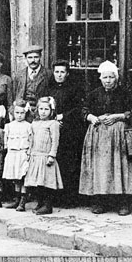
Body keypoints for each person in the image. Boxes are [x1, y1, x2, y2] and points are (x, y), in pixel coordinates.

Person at [80, 60, 132, 216]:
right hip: (99, 135)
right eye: (105, 77)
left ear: (116, 78)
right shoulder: (94, 94)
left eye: (111, 77)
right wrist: (91, 117)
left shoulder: (125, 93)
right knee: (101, 168)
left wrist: (118, 116)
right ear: (100, 78)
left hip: (119, 135)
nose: (108, 80)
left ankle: (123, 203)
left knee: (120, 167)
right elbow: (83, 110)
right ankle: (100, 202)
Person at [48, 60, 86, 206]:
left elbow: (78, 108)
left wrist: (63, 116)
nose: (59, 75)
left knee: (69, 163)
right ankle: (56, 197)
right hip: (54, 129)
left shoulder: (74, 89)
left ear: (67, 74)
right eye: (57, 72)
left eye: (62, 72)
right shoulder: (50, 89)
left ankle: (70, 199)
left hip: (70, 130)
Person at [25, 96, 63, 215]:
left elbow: (55, 141)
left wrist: (52, 155)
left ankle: (48, 205)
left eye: (46, 109)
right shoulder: (34, 124)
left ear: (51, 111)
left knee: (47, 183)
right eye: (41, 109)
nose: (43, 112)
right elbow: (31, 140)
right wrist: (29, 153)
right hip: (36, 156)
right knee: (37, 183)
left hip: (46, 157)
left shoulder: (53, 124)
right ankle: (40, 203)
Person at [2, 100, 34, 211]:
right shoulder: (9, 126)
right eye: (17, 113)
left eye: (22, 113)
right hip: (13, 153)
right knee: (15, 178)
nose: (19, 115)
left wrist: (29, 153)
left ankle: (23, 201)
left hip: (23, 153)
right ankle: (16, 199)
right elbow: (6, 142)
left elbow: (31, 141)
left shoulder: (29, 126)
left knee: (22, 177)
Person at [12, 45, 52, 121]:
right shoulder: (19, 75)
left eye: (36, 57)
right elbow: (15, 95)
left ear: (40, 57)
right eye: (30, 57)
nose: (33, 60)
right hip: (24, 114)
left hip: (42, 114)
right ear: (25, 58)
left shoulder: (48, 74)